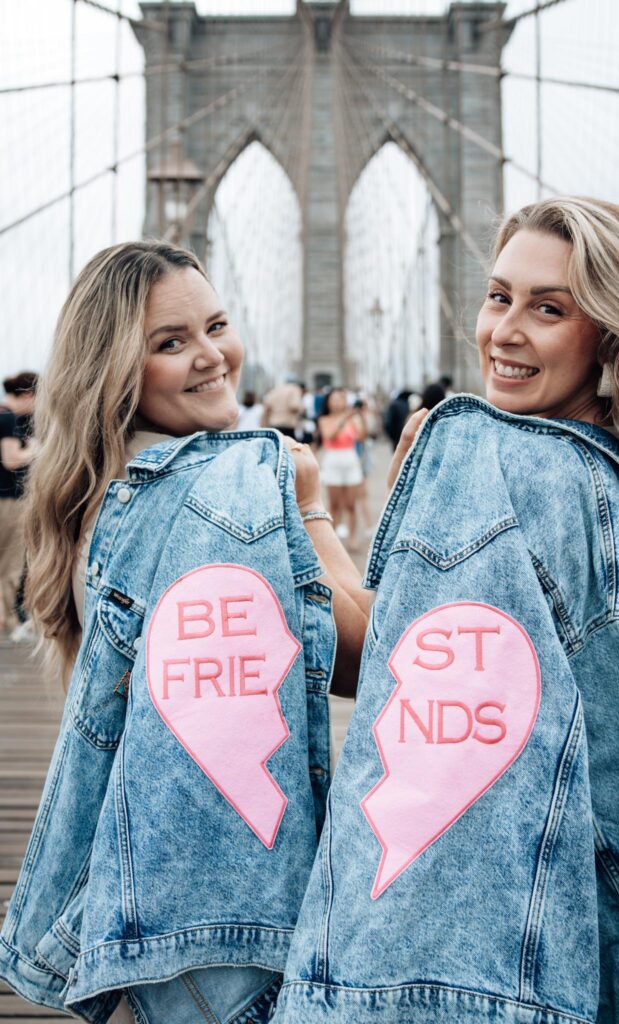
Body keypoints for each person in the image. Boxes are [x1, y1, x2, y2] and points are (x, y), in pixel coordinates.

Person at [273, 198, 619, 1024]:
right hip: (618, 932)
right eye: (499, 296)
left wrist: (308, 509)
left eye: (550, 308)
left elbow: (382, 675)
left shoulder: (494, 463)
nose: (504, 331)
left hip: (478, 955)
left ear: (616, 335)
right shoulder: (617, 484)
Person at [4, 241, 368, 1024]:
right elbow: (367, 658)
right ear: (116, 373)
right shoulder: (221, 494)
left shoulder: (94, 497)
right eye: (171, 344)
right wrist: (307, 503)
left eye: (217, 325)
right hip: (230, 924)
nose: (212, 357)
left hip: (133, 902)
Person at [0, 371, 38, 633]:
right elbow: (12, 459)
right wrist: (35, 448)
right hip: (10, 502)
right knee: (11, 565)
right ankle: (6, 622)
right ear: (26, 395)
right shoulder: (8, 418)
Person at [317, 388, 365, 548]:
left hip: (350, 459)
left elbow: (362, 437)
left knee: (351, 504)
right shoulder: (325, 419)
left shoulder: (352, 419)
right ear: (329, 402)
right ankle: (333, 538)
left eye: (341, 399)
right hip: (332, 459)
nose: (338, 402)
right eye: (335, 399)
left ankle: (352, 538)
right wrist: (345, 418)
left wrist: (361, 417)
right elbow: (329, 435)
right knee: (334, 504)